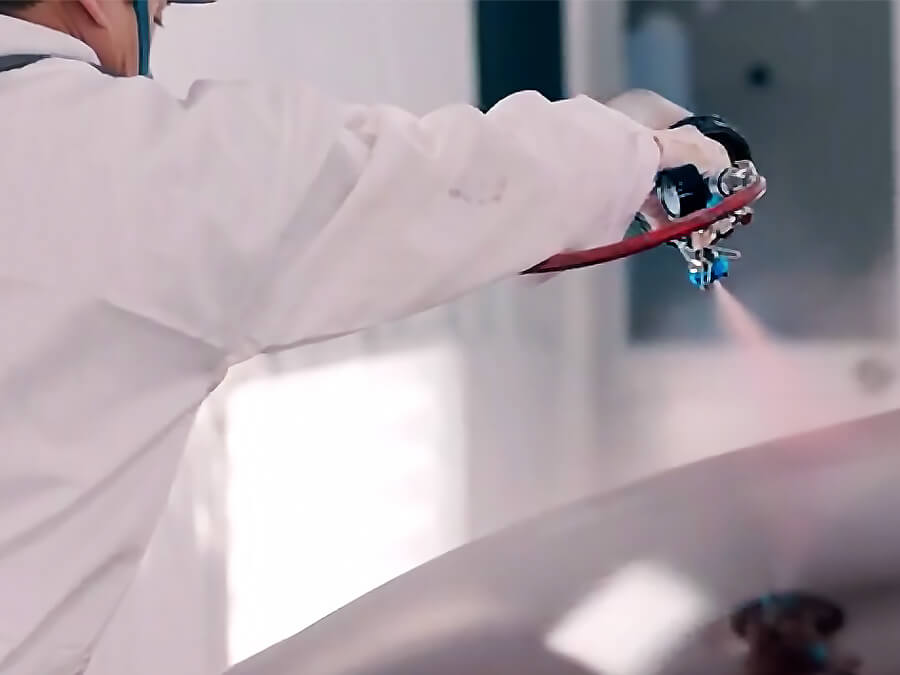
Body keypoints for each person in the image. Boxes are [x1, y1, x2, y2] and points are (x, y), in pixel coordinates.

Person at [0, 0, 732, 672]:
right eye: (155, 17)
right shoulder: (120, 163)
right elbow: (423, 183)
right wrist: (639, 151)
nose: (151, 40)